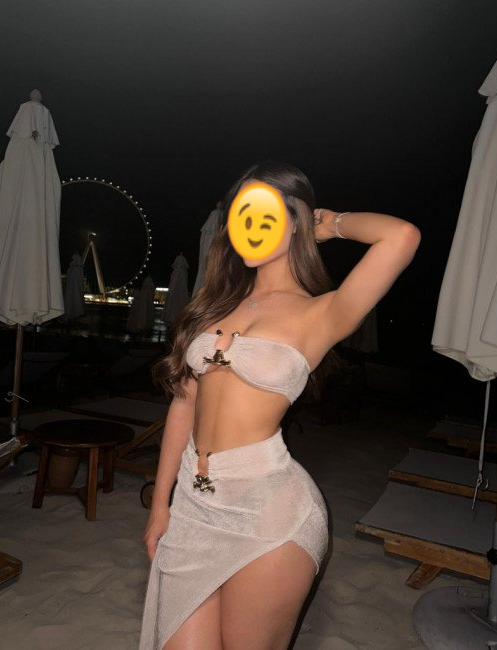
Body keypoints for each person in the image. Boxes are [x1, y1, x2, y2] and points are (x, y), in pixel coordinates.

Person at [139, 161, 421, 649]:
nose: (248, 225)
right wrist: (160, 504)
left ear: (294, 220)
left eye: (263, 212)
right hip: (192, 504)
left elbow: (402, 236)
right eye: (239, 214)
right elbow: (183, 406)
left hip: (269, 511)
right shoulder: (212, 305)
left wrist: (328, 224)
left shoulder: (322, 312)